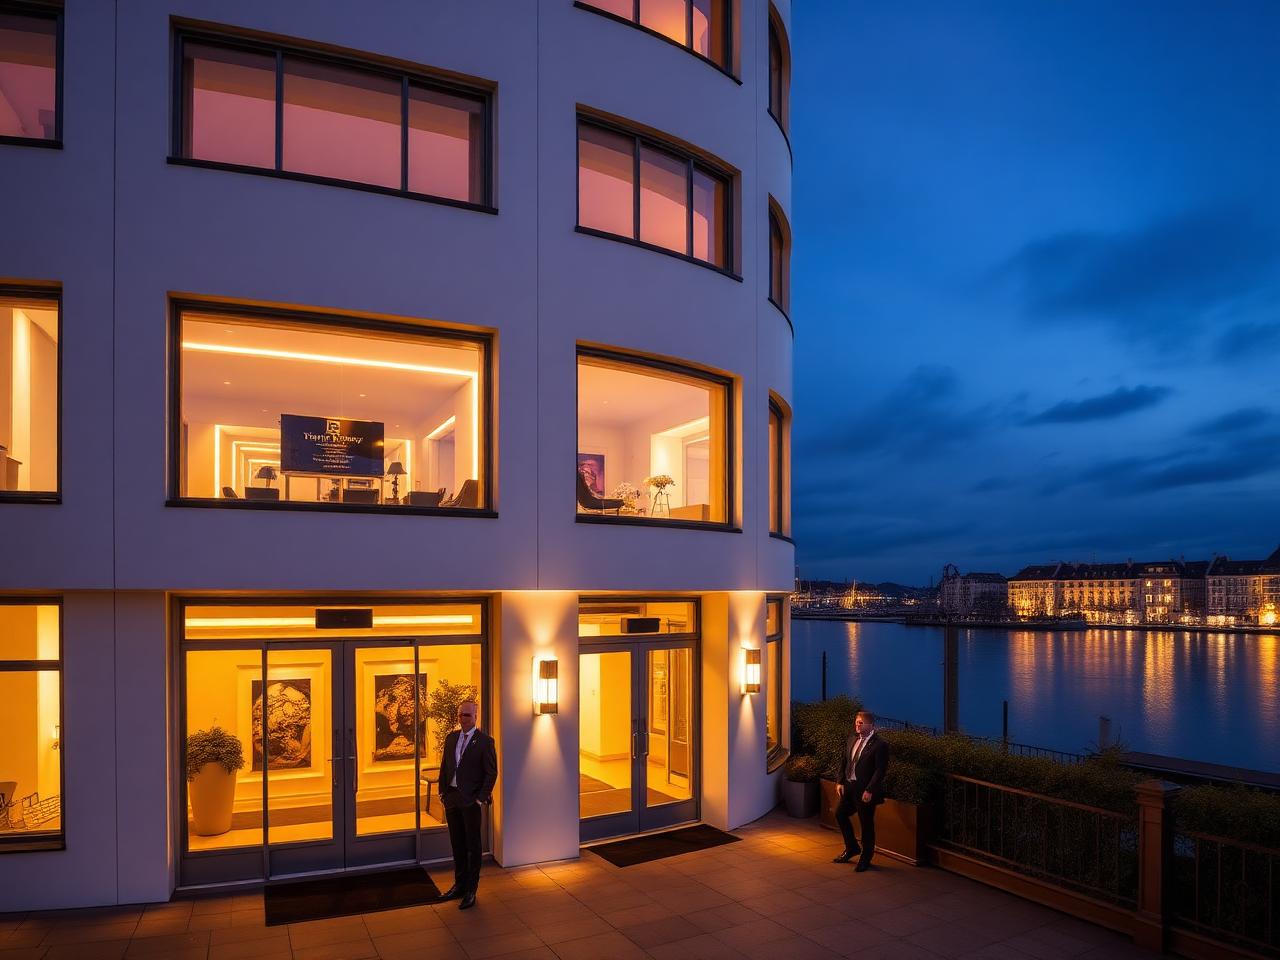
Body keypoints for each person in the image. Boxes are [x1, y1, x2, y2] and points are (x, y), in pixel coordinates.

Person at [437, 700, 497, 909]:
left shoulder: (485, 742)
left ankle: (471, 890)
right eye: (461, 714)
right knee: (457, 844)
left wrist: (479, 799)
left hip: (470, 801)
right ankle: (459, 885)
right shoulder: (451, 738)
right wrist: (442, 792)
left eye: (467, 715)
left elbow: (491, 773)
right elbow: (445, 766)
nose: (463, 719)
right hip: (452, 798)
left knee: (473, 846)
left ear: (475, 717)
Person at [832, 709, 889, 872]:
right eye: (857, 722)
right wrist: (840, 781)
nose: (857, 725)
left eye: (861, 723)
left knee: (866, 824)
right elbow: (844, 761)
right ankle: (852, 848)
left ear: (870, 725)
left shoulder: (880, 745)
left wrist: (870, 790)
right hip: (849, 787)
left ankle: (866, 857)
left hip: (865, 791)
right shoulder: (852, 739)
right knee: (840, 814)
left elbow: (880, 770)